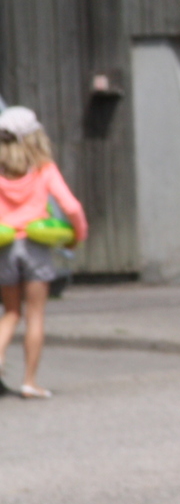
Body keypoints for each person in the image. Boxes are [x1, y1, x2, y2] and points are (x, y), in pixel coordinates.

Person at [0, 104, 87, 399]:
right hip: (35, 247)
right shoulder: (44, 169)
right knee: (35, 315)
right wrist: (77, 236)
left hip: (5, 247)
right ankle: (29, 382)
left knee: (11, 313)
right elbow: (71, 206)